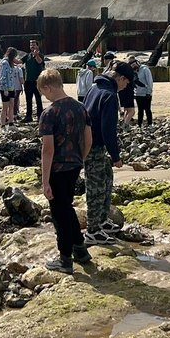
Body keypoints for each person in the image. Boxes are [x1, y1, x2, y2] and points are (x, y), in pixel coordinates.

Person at [38, 68, 93, 273]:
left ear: (48, 87)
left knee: (59, 213)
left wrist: (45, 182)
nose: (45, 97)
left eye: (44, 93)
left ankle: (65, 258)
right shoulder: (81, 108)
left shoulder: (50, 113)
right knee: (66, 206)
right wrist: (80, 160)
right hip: (75, 164)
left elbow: (47, 149)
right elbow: (89, 140)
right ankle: (80, 248)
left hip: (57, 168)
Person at [83, 60, 134, 243]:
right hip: (94, 146)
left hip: (89, 144)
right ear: (120, 78)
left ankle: (102, 221)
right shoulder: (109, 95)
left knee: (106, 178)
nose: (126, 87)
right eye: (127, 83)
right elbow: (108, 130)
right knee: (95, 188)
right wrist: (116, 156)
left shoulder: (95, 87)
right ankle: (92, 231)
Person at [23, 41, 46, 121]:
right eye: (31, 45)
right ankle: (28, 116)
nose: (32, 46)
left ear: (37, 46)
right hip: (28, 81)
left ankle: (40, 116)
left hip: (37, 81)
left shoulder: (41, 55)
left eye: (33, 44)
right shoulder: (27, 56)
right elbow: (19, 62)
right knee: (28, 100)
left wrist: (36, 55)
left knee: (38, 99)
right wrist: (9, 58)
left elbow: (40, 62)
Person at [0, 48, 19, 127]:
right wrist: (5, 89)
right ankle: (3, 123)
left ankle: (11, 122)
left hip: (12, 87)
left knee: (12, 105)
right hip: (5, 88)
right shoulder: (4, 63)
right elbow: (3, 77)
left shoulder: (11, 63)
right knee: (5, 106)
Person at [132, 57, 154, 125]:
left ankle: (150, 124)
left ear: (136, 62)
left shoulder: (145, 69)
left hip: (146, 94)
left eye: (132, 63)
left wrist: (148, 92)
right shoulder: (133, 71)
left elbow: (150, 82)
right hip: (138, 94)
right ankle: (139, 125)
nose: (132, 65)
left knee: (147, 110)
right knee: (140, 110)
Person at [12, 55, 26, 120]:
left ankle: (11, 114)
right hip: (17, 87)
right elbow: (21, 79)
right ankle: (15, 114)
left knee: (11, 101)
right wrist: (22, 86)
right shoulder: (19, 69)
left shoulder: (9, 69)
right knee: (16, 101)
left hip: (9, 87)